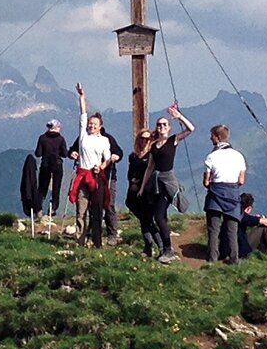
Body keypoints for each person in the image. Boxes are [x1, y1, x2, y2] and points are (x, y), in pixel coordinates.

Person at [68, 84, 118, 247]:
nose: (91, 125)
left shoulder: (104, 140)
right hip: (83, 175)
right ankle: (80, 240)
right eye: (90, 123)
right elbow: (82, 114)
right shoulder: (83, 135)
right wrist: (82, 96)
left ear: (100, 127)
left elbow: (108, 158)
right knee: (81, 211)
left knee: (96, 211)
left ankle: (97, 242)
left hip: (97, 177)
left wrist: (102, 167)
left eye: (94, 124)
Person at [125, 130, 173, 261]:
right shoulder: (133, 156)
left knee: (147, 220)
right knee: (144, 220)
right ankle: (150, 246)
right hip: (135, 192)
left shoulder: (153, 154)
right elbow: (130, 172)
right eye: (142, 138)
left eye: (147, 139)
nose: (144, 141)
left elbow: (152, 171)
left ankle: (159, 246)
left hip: (149, 191)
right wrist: (132, 181)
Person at [202, 124, 246, 264]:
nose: (210, 138)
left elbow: (206, 182)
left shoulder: (211, 157)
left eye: (212, 136)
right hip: (233, 194)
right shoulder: (239, 156)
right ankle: (234, 259)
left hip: (215, 194)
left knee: (213, 230)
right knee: (232, 231)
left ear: (218, 137)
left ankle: (212, 259)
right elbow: (241, 180)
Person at [150, 103, 196, 213]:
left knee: (163, 211)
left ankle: (166, 230)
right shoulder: (153, 145)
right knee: (159, 212)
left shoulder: (173, 140)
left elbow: (190, 129)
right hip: (157, 180)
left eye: (164, 124)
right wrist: (143, 187)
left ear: (169, 127)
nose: (162, 126)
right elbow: (150, 167)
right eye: (159, 124)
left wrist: (179, 116)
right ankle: (166, 230)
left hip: (169, 178)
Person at [35, 119, 68, 217]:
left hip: (45, 165)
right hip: (57, 165)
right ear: (57, 127)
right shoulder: (61, 139)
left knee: (42, 188)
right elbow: (65, 154)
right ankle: (53, 209)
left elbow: (38, 153)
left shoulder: (42, 138)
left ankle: (38, 209)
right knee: (56, 188)